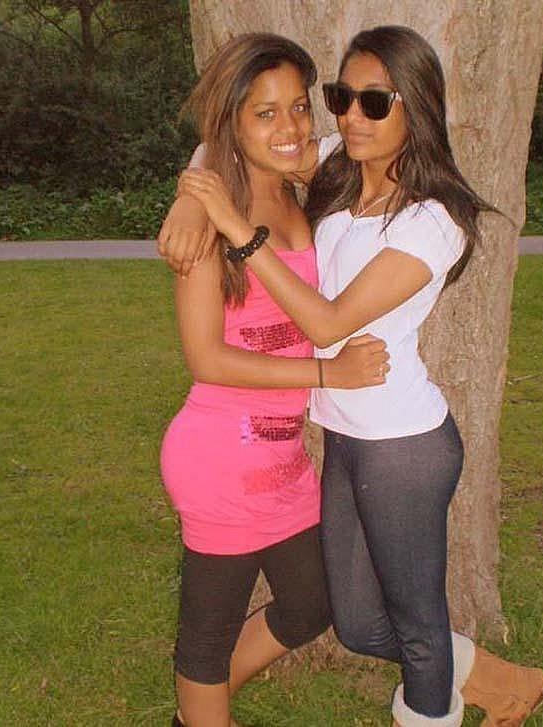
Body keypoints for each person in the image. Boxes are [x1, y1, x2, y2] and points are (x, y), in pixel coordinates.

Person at [160, 26, 543, 727]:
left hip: (398, 444)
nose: (347, 117)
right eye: (342, 98)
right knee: (349, 623)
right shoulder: (337, 168)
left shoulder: (432, 219)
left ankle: (455, 694)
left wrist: (229, 223)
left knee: (397, 622)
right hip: (317, 440)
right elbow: (236, 133)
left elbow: (328, 322)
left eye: (375, 102)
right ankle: (496, 678)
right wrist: (196, 195)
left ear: (417, 108)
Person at [159, 33, 392, 727]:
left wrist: (194, 182)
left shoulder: (302, 184)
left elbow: (217, 144)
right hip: (220, 457)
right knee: (206, 637)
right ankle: (204, 708)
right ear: (233, 123)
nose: (290, 127)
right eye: (265, 113)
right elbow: (206, 359)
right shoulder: (209, 228)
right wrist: (328, 373)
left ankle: (197, 709)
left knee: (312, 604)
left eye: (297, 106)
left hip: (284, 459)